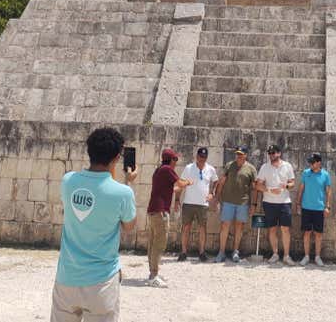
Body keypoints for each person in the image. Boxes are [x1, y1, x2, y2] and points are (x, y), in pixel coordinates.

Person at [51, 127, 138, 322]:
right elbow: (128, 226)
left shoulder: (68, 181)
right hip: (102, 281)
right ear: (117, 157)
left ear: (89, 151)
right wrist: (129, 183)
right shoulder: (123, 193)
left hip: (67, 278)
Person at [146, 147, 192, 287]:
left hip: (153, 211)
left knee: (153, 243)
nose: (176, 162)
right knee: (159, 244)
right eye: (175, 159)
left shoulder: (159, 170)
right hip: (160, 212)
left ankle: (153, 272)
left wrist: (183, 186)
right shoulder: (167, 169)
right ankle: (153, 276)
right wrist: (188, 182)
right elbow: (180, 183)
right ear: (171, 159)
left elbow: (173, 189)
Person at [213, 145, 257, 263]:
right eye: (237, 154)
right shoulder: (229, 165)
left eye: (241, 154)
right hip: (228, 201)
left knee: (239, 227)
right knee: (224, 226)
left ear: (246, 155)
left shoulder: (251, 169)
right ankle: (221, 252)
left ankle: (235, 251)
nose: (239, 156)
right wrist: (217, 198)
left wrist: (253, 204)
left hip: (243, 202)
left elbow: (254, 188)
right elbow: (221, 182)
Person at [174, 146, 218, 262]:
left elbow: (216, 181)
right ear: (196, 156)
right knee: (186, 227)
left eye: (204, 157)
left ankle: (202, 252)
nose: (202, 159)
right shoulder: (189, 168)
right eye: (200, 156)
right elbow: (180, 184)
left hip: (203, 204)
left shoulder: (211, 169)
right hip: (188, 203)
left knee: (202, 228)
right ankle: (183, 252)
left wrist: (212, 193)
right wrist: (177, 200)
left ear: (206, 157)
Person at [255, 144, 296, 265]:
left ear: (279, 153)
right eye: (270, 153)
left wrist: (286, 186)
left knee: (285, 229)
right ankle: (275, 254)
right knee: (272, 229)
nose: (271, 155)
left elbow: (292, 183)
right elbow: (258, 185)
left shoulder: (287, 166)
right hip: (269, 202)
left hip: (284, 202)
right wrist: (269, 190)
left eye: (273, 153)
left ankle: (286, 256)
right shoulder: (265, 167)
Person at [295, 152, 331, 267]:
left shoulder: (325, 175)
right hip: (306, 208)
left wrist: (327, 206)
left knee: (318, 234)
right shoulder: (306, 173)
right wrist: (298, 203)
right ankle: (306, 256)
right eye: (310, 162)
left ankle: (317, 257)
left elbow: (328, 192)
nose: (310, 164)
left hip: (319, 209)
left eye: (313, 162)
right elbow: (301, 189)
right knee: (306, 233)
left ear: (319, 163)